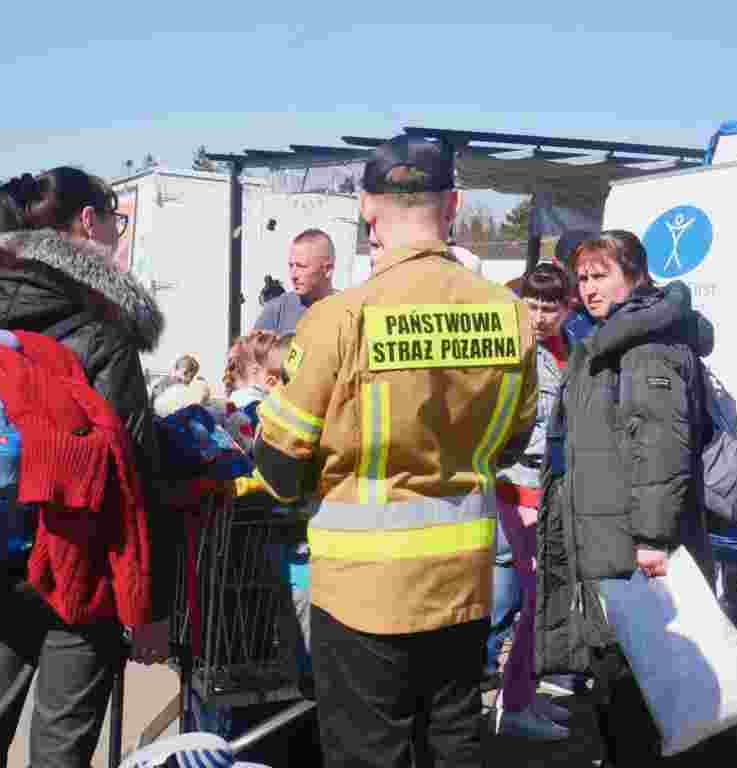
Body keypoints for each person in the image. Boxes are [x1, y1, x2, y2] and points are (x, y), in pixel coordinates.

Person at [253, 135, 538, 768]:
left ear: (366, 208)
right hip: (463, 583)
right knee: (452, 745)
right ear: (454, 205)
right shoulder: (509, 314)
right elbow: (513, 440)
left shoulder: (339, 318)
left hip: (361, 592)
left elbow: (279, 462)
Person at [0, 167, 172, 768]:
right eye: (115, 221)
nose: (118, 234)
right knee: (61, 748)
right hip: (80, 570)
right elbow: (133, 472)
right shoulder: (102, 327)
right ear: (88, 223)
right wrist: (150, 607)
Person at [534, 230, 732, 767]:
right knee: (617, 680)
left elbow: (661, 445)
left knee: (639, 684)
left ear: (636, 275)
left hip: (633, 549)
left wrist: (651, 538)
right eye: (583, 278)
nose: (589, 288)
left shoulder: (645, 345)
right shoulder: (610, 338)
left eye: (601, 276)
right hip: (606, 537)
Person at [492, 263, 575, 741]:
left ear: (567, 309)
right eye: (532, 304)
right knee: (530, 600)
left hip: (551, 492)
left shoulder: (572, 352)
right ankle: (515, 703)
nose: (540, 316)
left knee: (541, 600)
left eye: (550, 307)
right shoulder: (514, 353)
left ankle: (522, 692)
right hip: (514, 491)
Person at [253, 229, 335, 335]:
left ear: (328, 269)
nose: (293, 275)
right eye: (291, 266)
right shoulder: (277, 311)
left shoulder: (347, 312)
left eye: (302, 266)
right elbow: (252, 350)